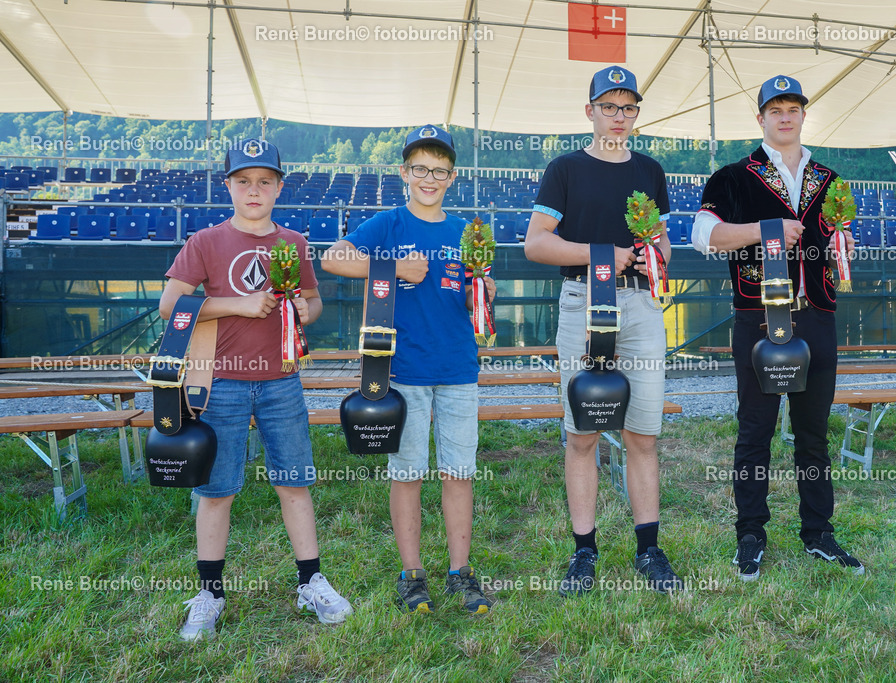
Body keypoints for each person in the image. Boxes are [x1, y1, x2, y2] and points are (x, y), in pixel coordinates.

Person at [161, 138, 353, 641]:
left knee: (294, 482)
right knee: (216, 490)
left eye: (264, 181)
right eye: (243, 180)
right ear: (227, 185)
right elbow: (170, 308)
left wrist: (300, 311)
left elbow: (312, 302)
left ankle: (311, 581)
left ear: (278, 187)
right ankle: (209, 593)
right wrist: (237, 304)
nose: (254, 190)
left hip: (280, 381)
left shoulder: (293, 241)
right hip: (218, 383)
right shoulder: (204, 241)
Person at [692, 75, 864, 581]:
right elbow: (704, 235)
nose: (785, 116)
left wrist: (844, 245)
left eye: (793, 108)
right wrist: (763, 231)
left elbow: (839, 234)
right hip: (758, 317)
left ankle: (819, 533)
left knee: (813, 432)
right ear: (761, 118)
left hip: (817, 316)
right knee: (755, 430)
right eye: (775, 109)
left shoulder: (830, 180)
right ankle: (750, 534)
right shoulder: (732, 177)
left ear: (804, 116)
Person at [321, 125, 496, 615]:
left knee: (459, 471)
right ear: (404, 172)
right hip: (403, 371)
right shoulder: (390, 223)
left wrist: (481, 294)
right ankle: (411, 574)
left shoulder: (465, 231)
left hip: (458, 367)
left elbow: (470, 294)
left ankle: (461, 573)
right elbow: (333, 258)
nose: (429, 178)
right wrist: (394, 268)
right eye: (420, 168)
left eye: (439, 171)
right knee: (408, 474)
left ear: (452, 177)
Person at [524, 66, 681, 595]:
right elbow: (537, 244)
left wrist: (652, 256)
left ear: (637, 115)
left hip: (638, 306)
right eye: (609, 106)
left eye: (628, 108)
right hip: (582, 301)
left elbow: (662, 244)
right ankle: (584, 552)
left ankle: (648, 548)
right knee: (582, 433)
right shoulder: (565, 168)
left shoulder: (651, 170)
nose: (619, 117)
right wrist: (604, 257)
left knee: (642, 433)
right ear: (589, 110)